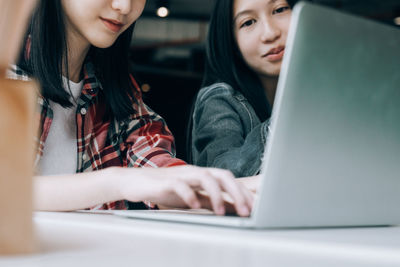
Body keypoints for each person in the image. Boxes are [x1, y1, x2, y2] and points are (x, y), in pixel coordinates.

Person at [6, 0, 253, 217]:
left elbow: (160, 171)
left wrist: (247, 187)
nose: (125, 6)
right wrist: (117, 182)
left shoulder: (116, 94)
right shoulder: (7, 72)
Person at [189, 0, 297, 178]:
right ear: (231, 41)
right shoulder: (219, 99)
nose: (270, 33)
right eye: (248, 22)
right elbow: (223, 175)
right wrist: (290, 117)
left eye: (279, 10)